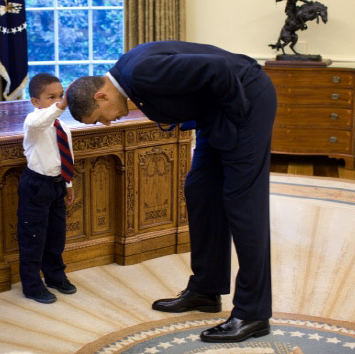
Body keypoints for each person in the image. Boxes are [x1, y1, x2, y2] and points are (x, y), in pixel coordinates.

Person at [66, 41, 277, 343]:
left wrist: (239, 121)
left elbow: (221, 69)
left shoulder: (141, 72)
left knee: (244, 206)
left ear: (101, 95)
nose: (107, 122)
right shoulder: (130, 77)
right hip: (217, 112)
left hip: (245, 102)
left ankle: (253, 313)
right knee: (200, 192)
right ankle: (206, 290)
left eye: (100, 116)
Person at [17, 73, 77, 304]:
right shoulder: (33, 123)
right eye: (50, 97)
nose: (57, 101)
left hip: (57, 185)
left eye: (60, 95)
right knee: (33, 237)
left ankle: (55, 276)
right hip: (36, 186)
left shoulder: (62, 125)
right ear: (35, 102)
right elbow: (39, 121)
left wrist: (68, 183)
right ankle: (32, 285)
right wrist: (61, 105)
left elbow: (66, 154)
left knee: (56, 235)